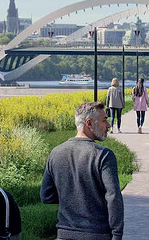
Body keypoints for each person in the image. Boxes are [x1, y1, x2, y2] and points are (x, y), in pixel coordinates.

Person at [41, 102, 124, 240]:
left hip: (63, 234)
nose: (108, 125)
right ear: (89, 124)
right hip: (97, 234)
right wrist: (117, 234)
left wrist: (72, 197)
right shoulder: (103, 155)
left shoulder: (55, 153)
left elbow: (46, 195)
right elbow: (113, 197)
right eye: (104, 120)